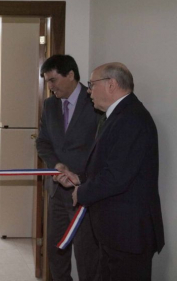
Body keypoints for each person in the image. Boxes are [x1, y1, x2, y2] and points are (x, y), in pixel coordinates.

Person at [57, 62, 165, 281]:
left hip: (128, 234)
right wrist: (80, 179)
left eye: (91, 84)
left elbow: (116, 177)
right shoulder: (118, 116)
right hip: (117, 232)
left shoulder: (131, 119)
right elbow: (108, 165)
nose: (88, 91)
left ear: (111, 84)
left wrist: (82, 192)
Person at [36, 55, 100, 281]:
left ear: (71, 75)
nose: (50, 86)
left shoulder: (95, 102)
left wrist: (80, 178)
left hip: (83, 193)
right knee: (56, 249)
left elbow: (102, 149)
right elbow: (42, 142)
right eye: (47, 81)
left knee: (86, 254)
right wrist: (57, 165)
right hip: (56, 193)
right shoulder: (50, 105)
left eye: (53, 80)